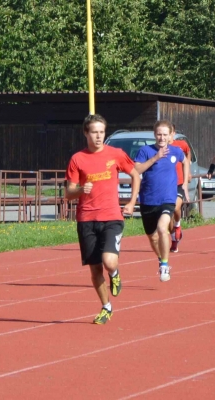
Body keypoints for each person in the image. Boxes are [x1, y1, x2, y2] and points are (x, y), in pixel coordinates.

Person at [65, 114, 140, 324]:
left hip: (111, 217)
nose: (98, 136)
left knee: (108, 261)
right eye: (94, 132)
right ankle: (106, 307)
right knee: (95, 268)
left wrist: (132, 202)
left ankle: (115, 274)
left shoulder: (115, 154)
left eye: (101, 132)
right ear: (86, 133)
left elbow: (135, 174)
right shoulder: (77, 159)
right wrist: (80, 189)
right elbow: (68, 193)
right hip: (86, 219)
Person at [134, 120, 189, 282]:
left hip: (168, 198)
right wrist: (155, 158)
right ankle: (160, 258)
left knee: (162, 228)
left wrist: (185, 183)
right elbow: (136, 170)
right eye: (159, 134)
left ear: (170, 135)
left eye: (165, 134)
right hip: (148, 199)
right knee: (152, 237)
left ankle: (165, 264)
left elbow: (186, 161)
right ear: (154, 134)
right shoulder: (145, 151)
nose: (162, 137)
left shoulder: (176, 151)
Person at [168, 124, 191, 252]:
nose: (166, 136)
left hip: (179, 183)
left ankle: (177, 225)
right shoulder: (160, 148)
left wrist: (187, 172)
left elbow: (188, 154)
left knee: (175, 208)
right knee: (167, 217)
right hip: (166, 186)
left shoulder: (181, 144)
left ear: (173, 133)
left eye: (168, 133)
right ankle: (174, 239)